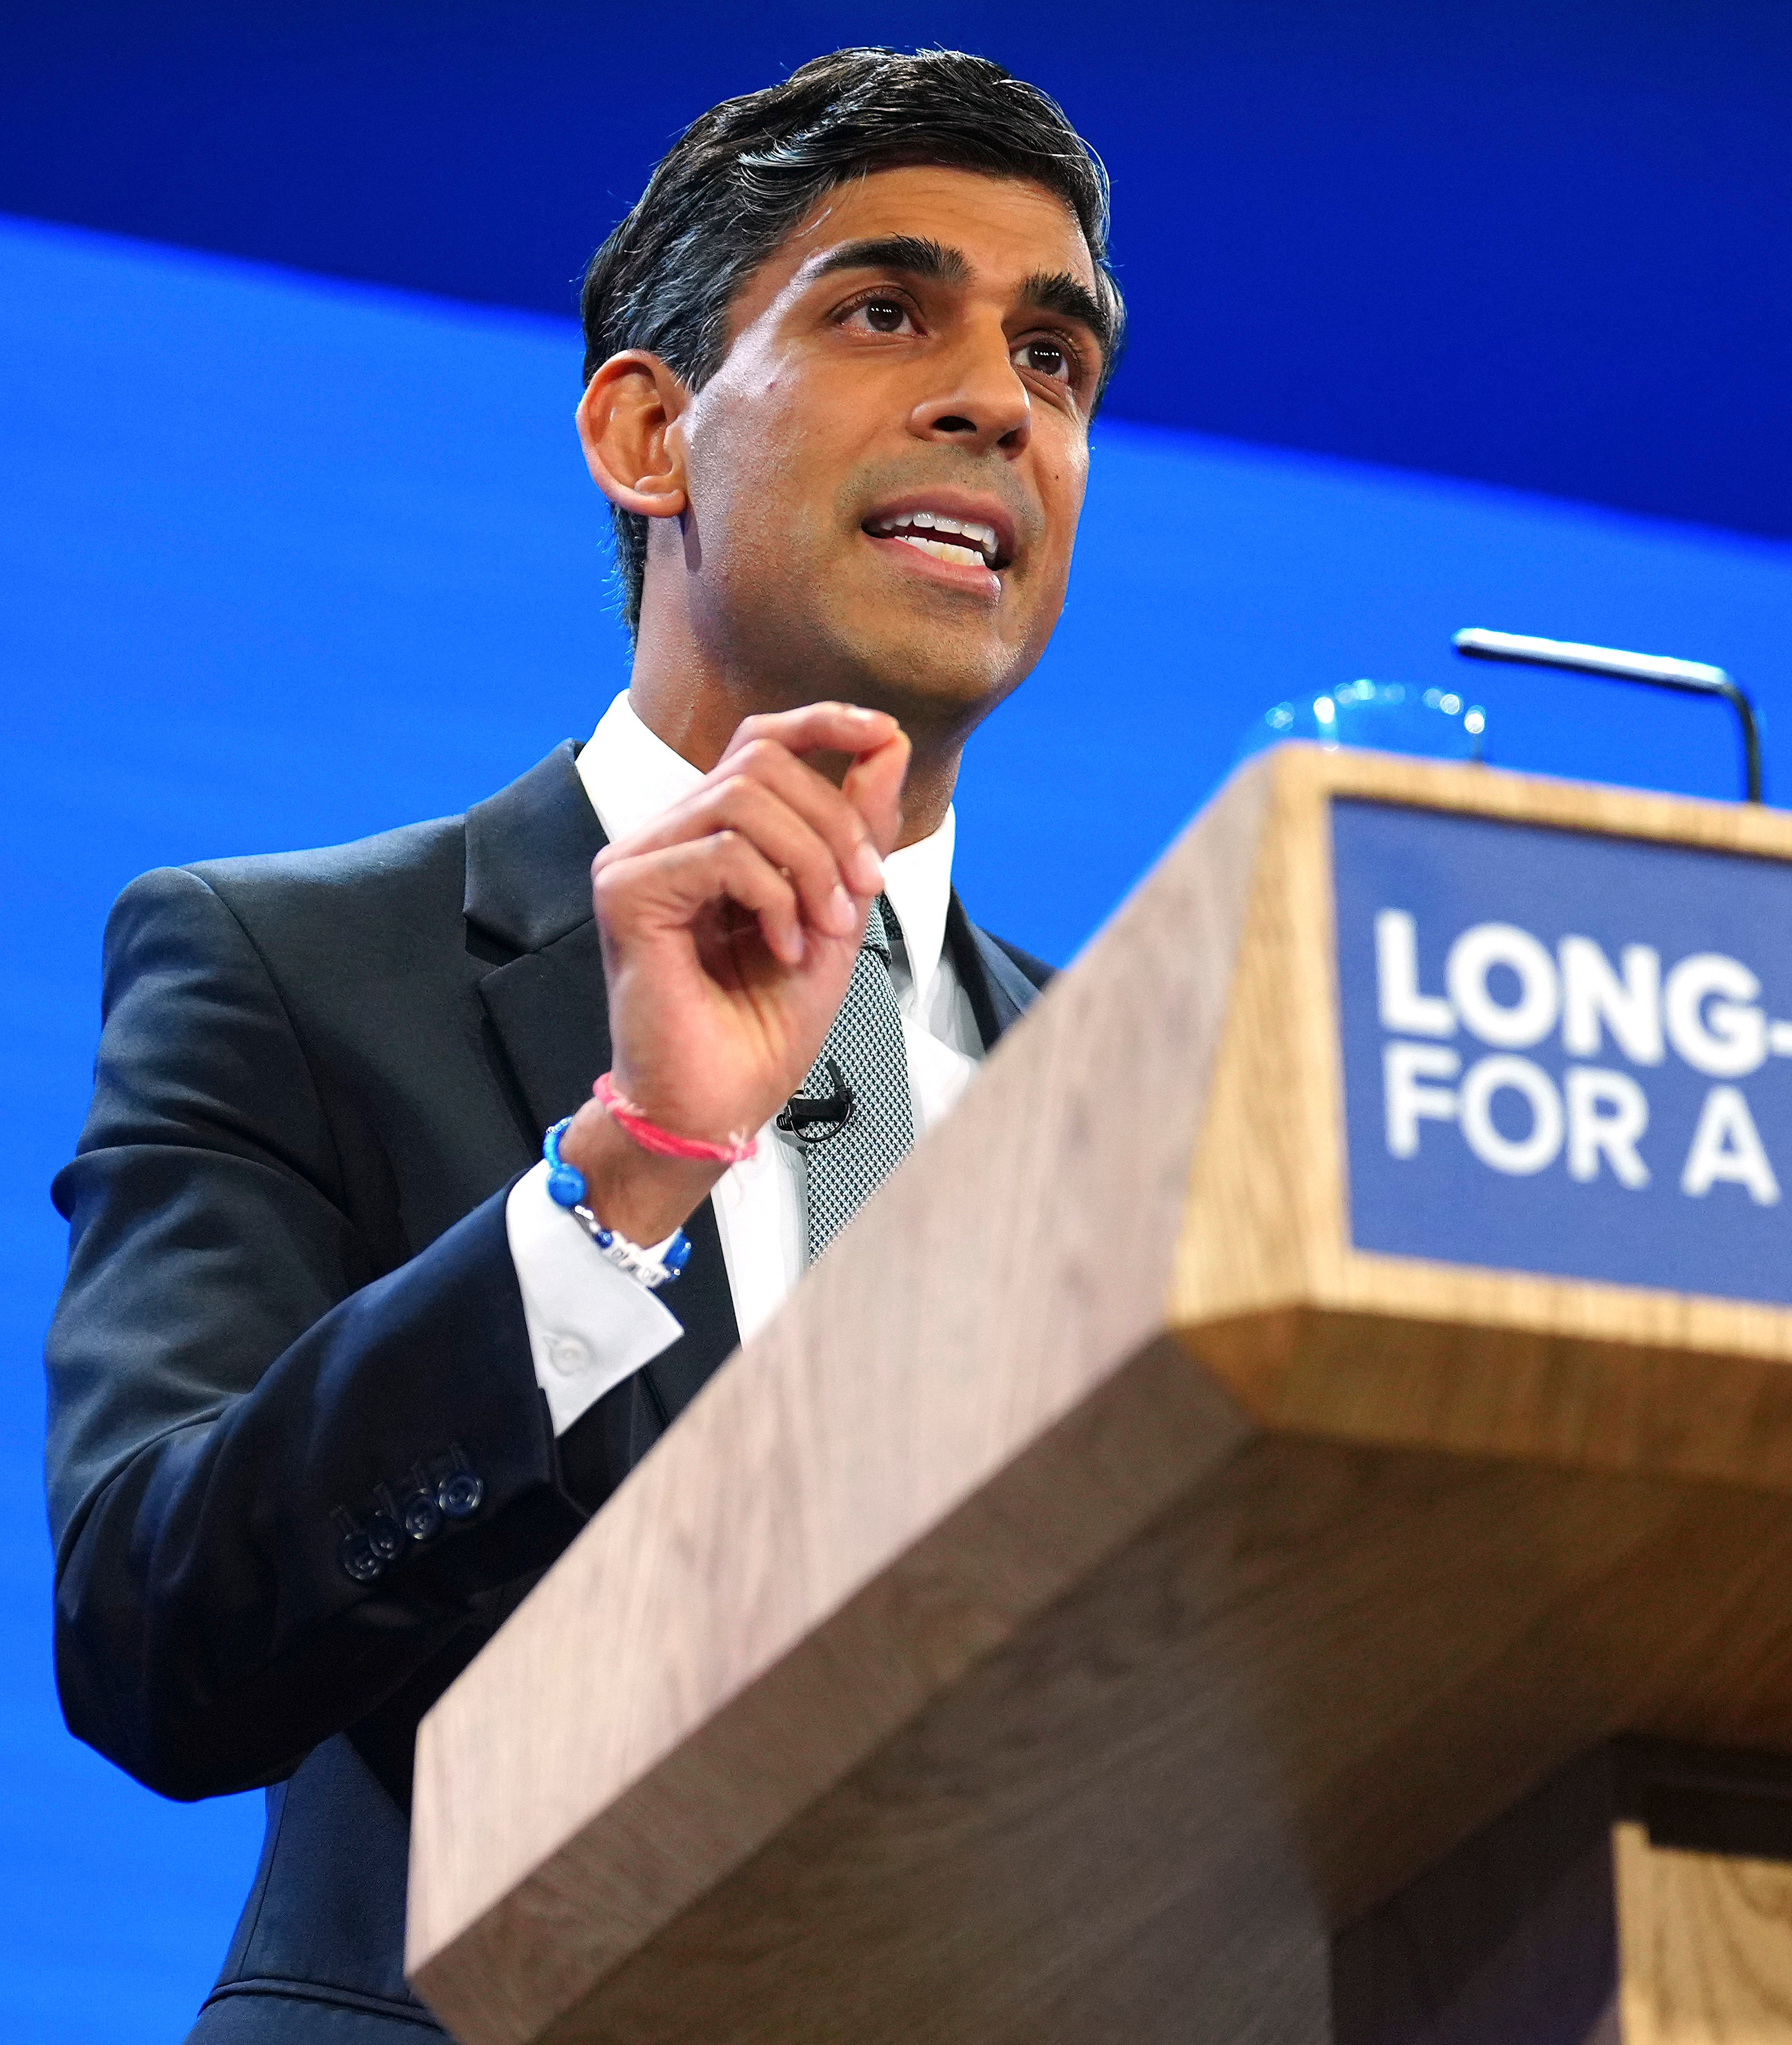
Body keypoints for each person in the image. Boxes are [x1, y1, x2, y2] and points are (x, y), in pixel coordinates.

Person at [41, 47, 1123, 2043]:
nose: (1000, 400)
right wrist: (621, 1175)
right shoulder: (289, 969)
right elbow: (155, 1641)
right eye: (888, 312)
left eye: (1056, 362)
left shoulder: (1129, 1089)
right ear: (647, 432)